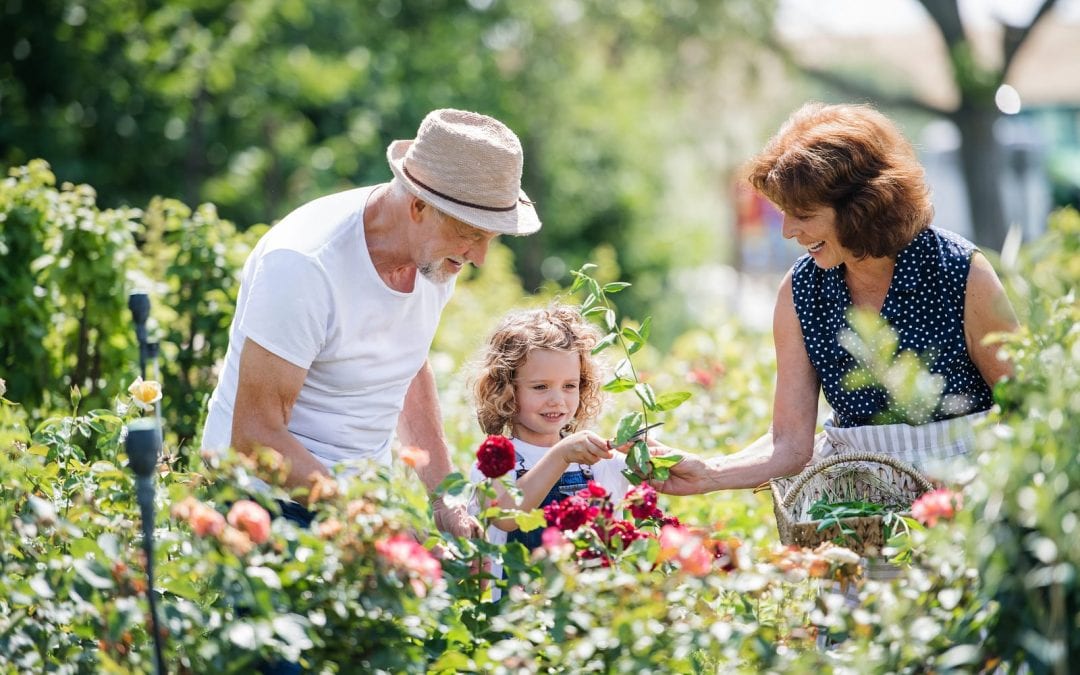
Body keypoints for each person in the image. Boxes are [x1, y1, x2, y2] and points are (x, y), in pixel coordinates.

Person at [201, 108, 541, 537]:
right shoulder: (304, 267)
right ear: (419, 205)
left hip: (357, 500)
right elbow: (255, 436)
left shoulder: (435, 256)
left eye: (489, 239)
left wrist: (445, 496)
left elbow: (406, 362)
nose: (479, 258)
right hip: (262, 501)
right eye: (472, 235)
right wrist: (375, 523)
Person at [652, 101, 1019, 495]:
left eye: (803, 215)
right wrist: (709, 473)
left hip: (965, 497)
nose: (788, 231)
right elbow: (790, 447)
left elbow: (1022, 404)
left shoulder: (960, 272)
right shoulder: (801, 292)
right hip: (856, 502)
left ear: (862, 207)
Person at [468, 305, 633, 582]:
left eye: (570, 386)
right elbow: (506, 516)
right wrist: (561, 456)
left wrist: (640, 448)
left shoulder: (593, 460)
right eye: (540, 387)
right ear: (507, 389)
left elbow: (650, 479)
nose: (557, 399)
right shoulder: (498, 459)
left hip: (583, 611)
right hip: (517, 611)